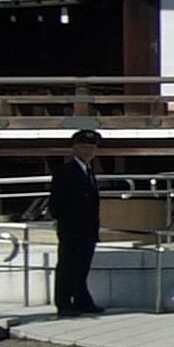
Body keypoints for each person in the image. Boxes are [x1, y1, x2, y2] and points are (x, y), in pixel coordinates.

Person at [48, 127, 105, 316]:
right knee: (67, 266)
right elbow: (56, 201)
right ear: (75, 149)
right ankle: (64, 303)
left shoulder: (89, 172)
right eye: (84, 147)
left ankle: (81, 301)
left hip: (88, 228)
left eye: (92, 148)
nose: (88, 151)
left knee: (82, 266)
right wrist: (62, 222)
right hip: (71, 228)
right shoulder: (65, 172)